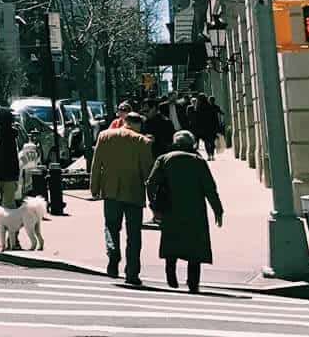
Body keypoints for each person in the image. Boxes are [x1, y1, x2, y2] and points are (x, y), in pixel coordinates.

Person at [147, 131, 224, 293]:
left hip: (170, 209)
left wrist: (154, 205)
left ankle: (171, 274)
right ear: (192, 145)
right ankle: (193, 282)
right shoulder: (198, 161)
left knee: (171, 241)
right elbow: (210, 188)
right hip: (194, 210)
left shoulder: (163, 159)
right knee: (195, 246)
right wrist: (218, 210)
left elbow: (151, 183)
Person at [91, 112, 155, 285]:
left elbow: (97, 164)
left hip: (110, 191)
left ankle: (112, 252)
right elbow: (147, 172)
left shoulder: (105, 136)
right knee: (134, 235)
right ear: (138, 125)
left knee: (111, 227)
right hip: (134, 192)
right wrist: (152, 197)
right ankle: (132, 273)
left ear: (124, 122)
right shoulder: (143, 142)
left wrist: (94, 187)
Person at [0, 108, 22, 208]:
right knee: (6, 204)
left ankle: (10, 223)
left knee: (8, 205)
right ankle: (7, 223)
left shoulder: (4, 137)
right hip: (7, 176)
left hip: (6, 177)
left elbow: (2, 159)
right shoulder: (6, 135)